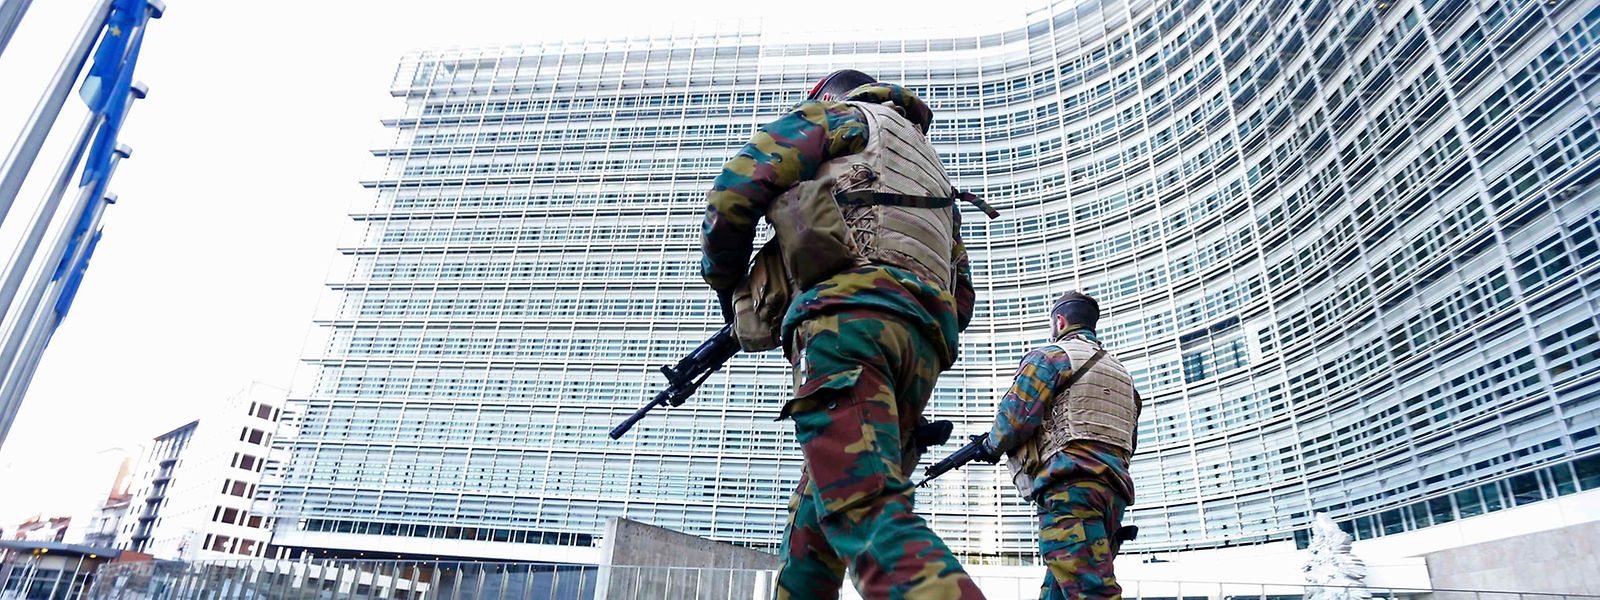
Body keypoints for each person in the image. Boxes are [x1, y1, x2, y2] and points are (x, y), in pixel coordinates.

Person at [700, 69, 989, 599]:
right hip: (920, 348)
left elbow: (734, 191)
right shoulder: (936, 180)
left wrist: (727, 287)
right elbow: (962, 299)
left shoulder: (844, 117)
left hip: (847, 324)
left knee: (865, 507)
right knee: (816, 523)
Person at [976, 291, 1141, 599]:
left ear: (1059, 321)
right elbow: (1129, 441)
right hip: (1112, 495)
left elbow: (1015, 418)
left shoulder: (1053, 357)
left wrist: (990, 446)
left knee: (1092, 590)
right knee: (1060, 589)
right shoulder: (1123, 376)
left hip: (1071, 490)